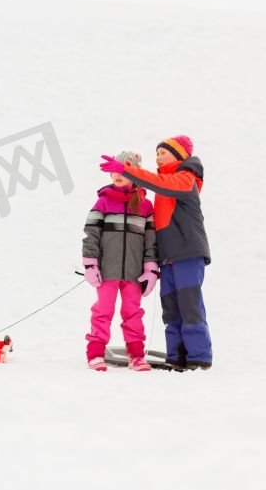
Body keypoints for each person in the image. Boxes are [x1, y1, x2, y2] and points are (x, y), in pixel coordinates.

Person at [100, 135, 213, 370]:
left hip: (187, 253)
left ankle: (198, 357)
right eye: (157, 152)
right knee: (170, 308)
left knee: (189, 305)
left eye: (163, 152)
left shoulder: (185, 178)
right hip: (168, 257)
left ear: (180, 155)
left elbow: (156, 182)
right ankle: (177, 356)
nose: (158, 156)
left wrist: (128, 171)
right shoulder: (163, 182)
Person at [82, 151, 159, 372]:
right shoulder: (103, 202)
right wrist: (90, 264)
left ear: (134, 173)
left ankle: (136, 355)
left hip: (134, 273)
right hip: (107, 270)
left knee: (133, 312)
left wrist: (151, 268)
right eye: (114, 170)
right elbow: (91, 234)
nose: (117, 174)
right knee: (103, 311)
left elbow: (151, 240)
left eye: (123, 170)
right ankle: (95, 353)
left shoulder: (145, 206)